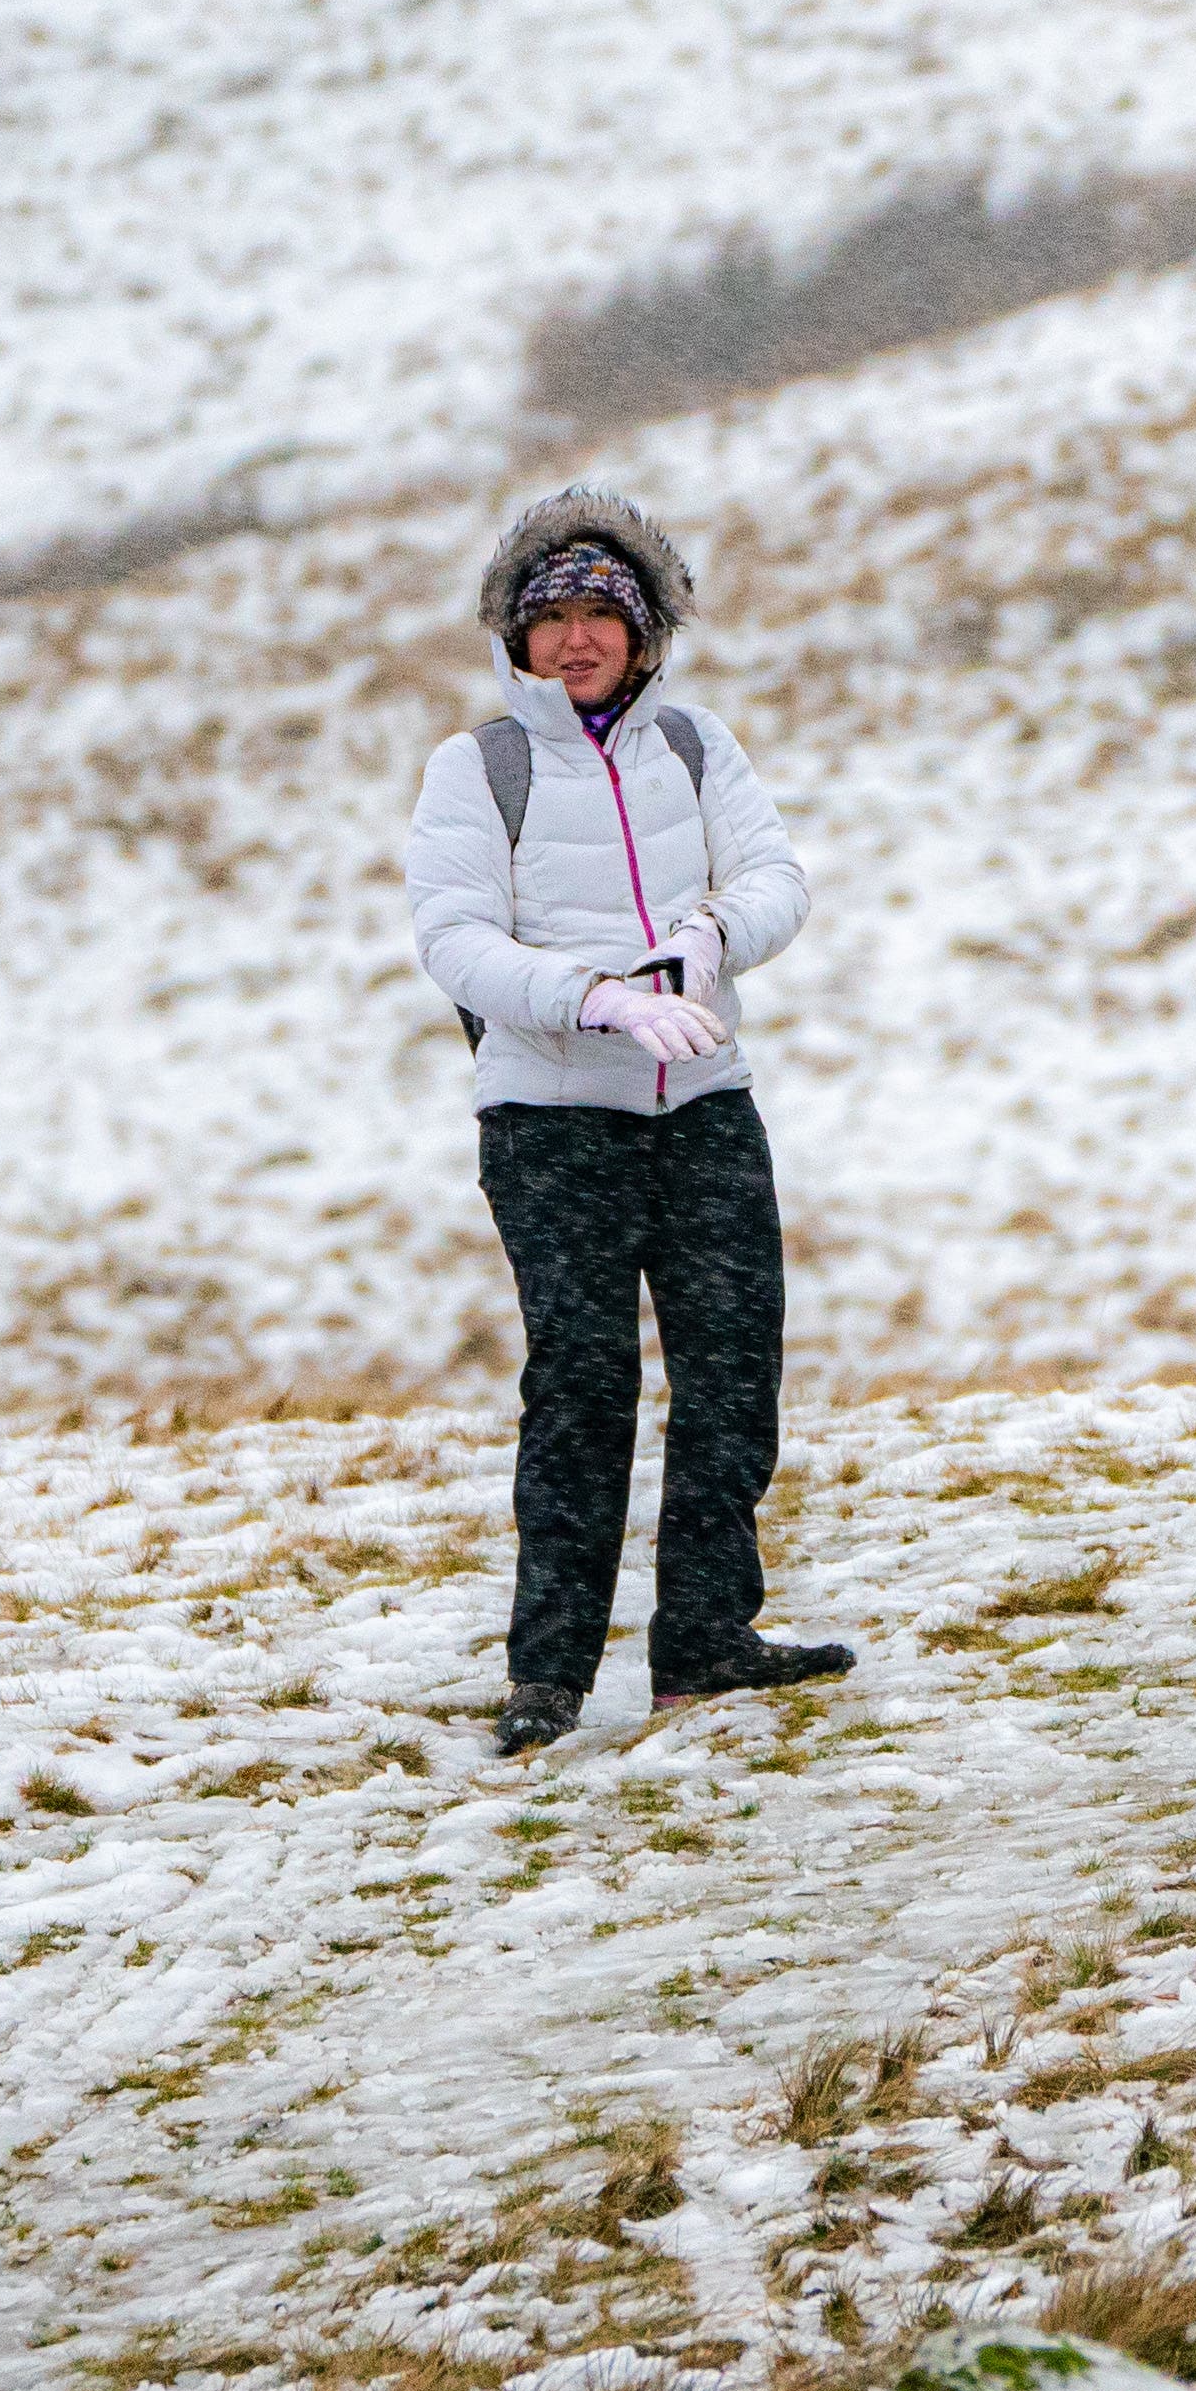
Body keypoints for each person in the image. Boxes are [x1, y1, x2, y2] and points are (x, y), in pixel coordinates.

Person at [404, 489, 852, 1755]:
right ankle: (546, 1672)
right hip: (551, 1123)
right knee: (584, 1390)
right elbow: (453, 940)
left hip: (704, 1103)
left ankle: (706, 1640)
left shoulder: (698, 747)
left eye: (607, 613)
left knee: (731, 1376)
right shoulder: (477, 767)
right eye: (554, 620)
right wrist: (593, 999)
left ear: (647, 634)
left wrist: (708, 937)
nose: (580, 639)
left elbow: (775, 879)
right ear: (516, 640)